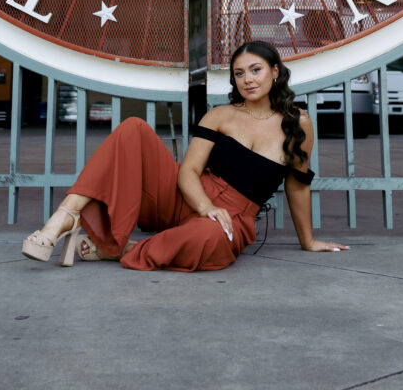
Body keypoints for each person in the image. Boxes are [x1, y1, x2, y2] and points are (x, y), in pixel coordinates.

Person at [22, 40, 348, 271]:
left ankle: (120, 249)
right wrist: (205, 206)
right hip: (185, 198)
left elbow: (297, 185)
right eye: (239, 73)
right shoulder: (220, 115)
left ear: (275, 71)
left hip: (232, 217)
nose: (247, 79)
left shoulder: (298, 123)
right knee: (133, 128)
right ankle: (61, 221)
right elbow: (188, 170)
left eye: (255, 70)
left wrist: (308, 241)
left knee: (212, 238)